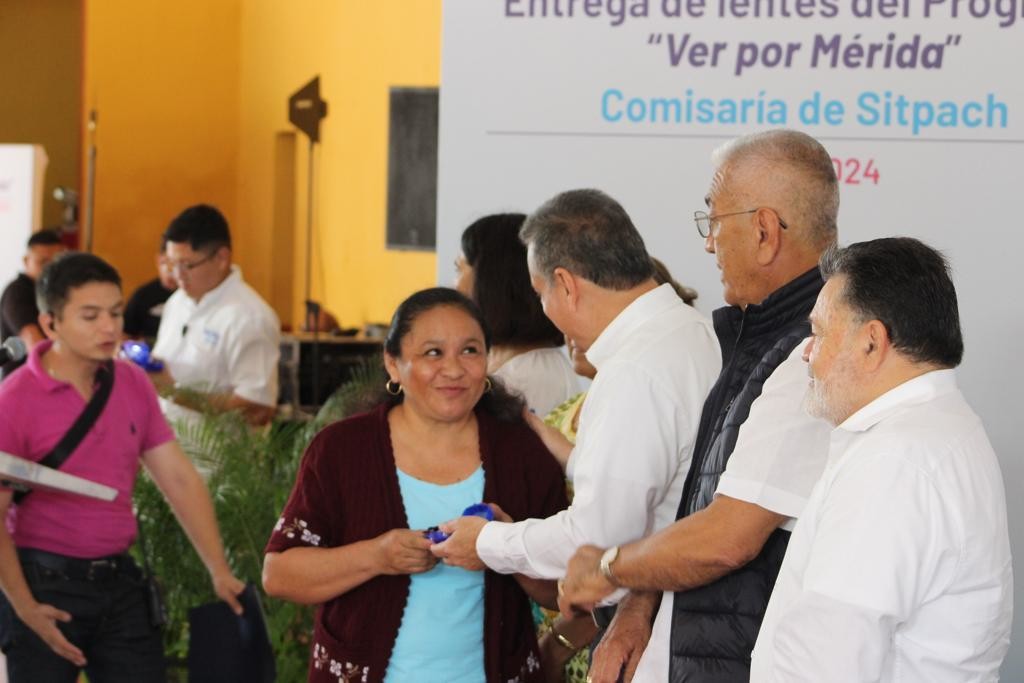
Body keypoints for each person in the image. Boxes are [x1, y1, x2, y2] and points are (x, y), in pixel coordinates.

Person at [558, 129, 838, 682]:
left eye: (713, 221)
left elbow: (727, 538)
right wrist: (639, 605)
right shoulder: (749, 340)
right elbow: (697, 506)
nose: (708, 244)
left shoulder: (813, 352)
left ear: (763, 232)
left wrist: (610, 566)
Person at [431, 190, 721, 644]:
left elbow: (595, 540)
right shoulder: (694, 333)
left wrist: (486, 542)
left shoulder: (633, 371)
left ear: (565, 284)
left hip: (668, 629)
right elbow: (657, 476)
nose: (544, 310)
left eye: (540, 292)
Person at [262, 287, 568, 683]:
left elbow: (562, 590)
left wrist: (505, 545)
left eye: (470, 351)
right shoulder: (341, 450)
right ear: (393, 364)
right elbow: (279, 574)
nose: (454, 369)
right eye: (433, 353)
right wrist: (377, 556)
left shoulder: (521, 453)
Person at [750, 238, 1012, 682]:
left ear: (872, 342)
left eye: (817, 333)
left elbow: (829, 662)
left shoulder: (893, 464)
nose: (807, 354)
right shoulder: (936, 431)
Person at [0, 252, 244, 683]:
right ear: (51, 323)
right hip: (44, 585)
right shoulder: (16, 398)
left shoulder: (131, 382)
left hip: (120, 583)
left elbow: (179, 479)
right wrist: (23, 607)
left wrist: (219, 570)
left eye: (115, 312)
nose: (110, 327)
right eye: (90, 316)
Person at [538, 257, 700, 683]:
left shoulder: (647, 392)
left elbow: (617, 539)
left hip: (608, 629)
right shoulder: (570, 409)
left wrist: (560, 642)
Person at [151, 204, 280, 426]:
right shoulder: (177, 302)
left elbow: (257, 410)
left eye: (187, 265)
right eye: (172, 264)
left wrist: (174, 392)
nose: (177, 276)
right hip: (165, 449)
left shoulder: (250, 317)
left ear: (221, 258)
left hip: (215, 458)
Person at [455, 213, 580, 416]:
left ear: (492, 282)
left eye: (459, 269)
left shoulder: (529, 377)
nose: (455, 286)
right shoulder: (512, 367)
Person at [0, 229, 66, 378]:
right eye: (42, 262)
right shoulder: (17, 293)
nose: (49, 269)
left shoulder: (59, 292)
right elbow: (34, 343)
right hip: (23, 386)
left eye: (55, 262)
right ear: (26, 260)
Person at [122, 238, 177, 342]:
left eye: (175, 264)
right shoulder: (143, 295)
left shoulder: (190, 296)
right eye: (165, 263)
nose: (169, 271)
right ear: (158, 260)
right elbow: (125, 335)